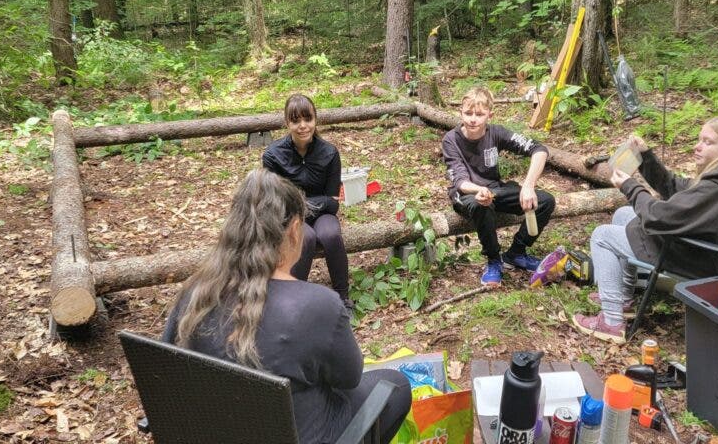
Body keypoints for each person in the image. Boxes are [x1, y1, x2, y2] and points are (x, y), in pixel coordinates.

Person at [162, 169, 412, 444]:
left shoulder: (193, 294)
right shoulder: (316, 305)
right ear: (295, 231)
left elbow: (170, 374)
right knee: (395, 385)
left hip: (218, 429)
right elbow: (349, 378)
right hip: (294, 432)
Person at [574, 116, 718, 344]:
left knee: (602, 236)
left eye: (708, 142)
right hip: (709, 248)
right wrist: (646, 158)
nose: (697, 146)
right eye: (699, 139)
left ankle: (611, 322)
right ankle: (623, 298)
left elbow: (659, 217)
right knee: (623, 215)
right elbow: (678, 188)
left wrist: (630, 187)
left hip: (699, 257)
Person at [442, 86, 556, 287]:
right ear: (460, 112)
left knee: (545, 200)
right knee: (481, 205)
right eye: (468, 113)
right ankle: (494, 260)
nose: (473, 119)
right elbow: (459, 180)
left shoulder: (496, 133)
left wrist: (528, 186)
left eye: (479, 114)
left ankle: (516, 252)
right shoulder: (451, 140)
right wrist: (479, 191)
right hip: (466, 193)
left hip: (495, 189)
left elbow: (539, 149)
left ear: (489, 115)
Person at [262, 93, 351, 307]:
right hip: (289, 216)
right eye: (296, 120)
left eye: (307, 119)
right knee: (307, 238)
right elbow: (276, 202)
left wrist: (305, 203)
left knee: (330, 234)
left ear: (315, 119)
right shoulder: (273, 155)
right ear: (287, 123)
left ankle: (343, 298)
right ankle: (293, 299)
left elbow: (333, 203)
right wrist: (315, 203)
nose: (303, 126)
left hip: (322, 215)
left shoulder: (329, 153)